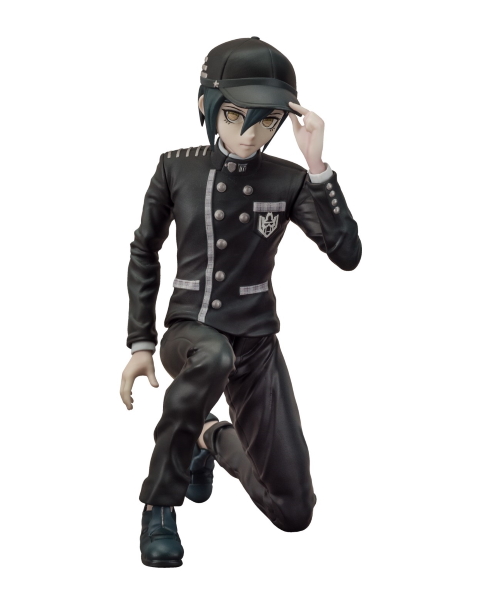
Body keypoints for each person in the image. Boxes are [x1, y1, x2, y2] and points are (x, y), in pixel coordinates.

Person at [120, 37, 362, 568]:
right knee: (213, 354)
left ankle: (208, 436)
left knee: (294, 511)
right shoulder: (176, 167)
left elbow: (347, 254)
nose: (251, 134)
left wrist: (317, 165)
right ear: (207, 106)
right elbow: (144, 249)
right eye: (234, 116)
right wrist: (141, 342)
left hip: (255, 344)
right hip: (191, 336)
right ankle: (160, 504)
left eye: (268, 121)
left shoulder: (288, 179)